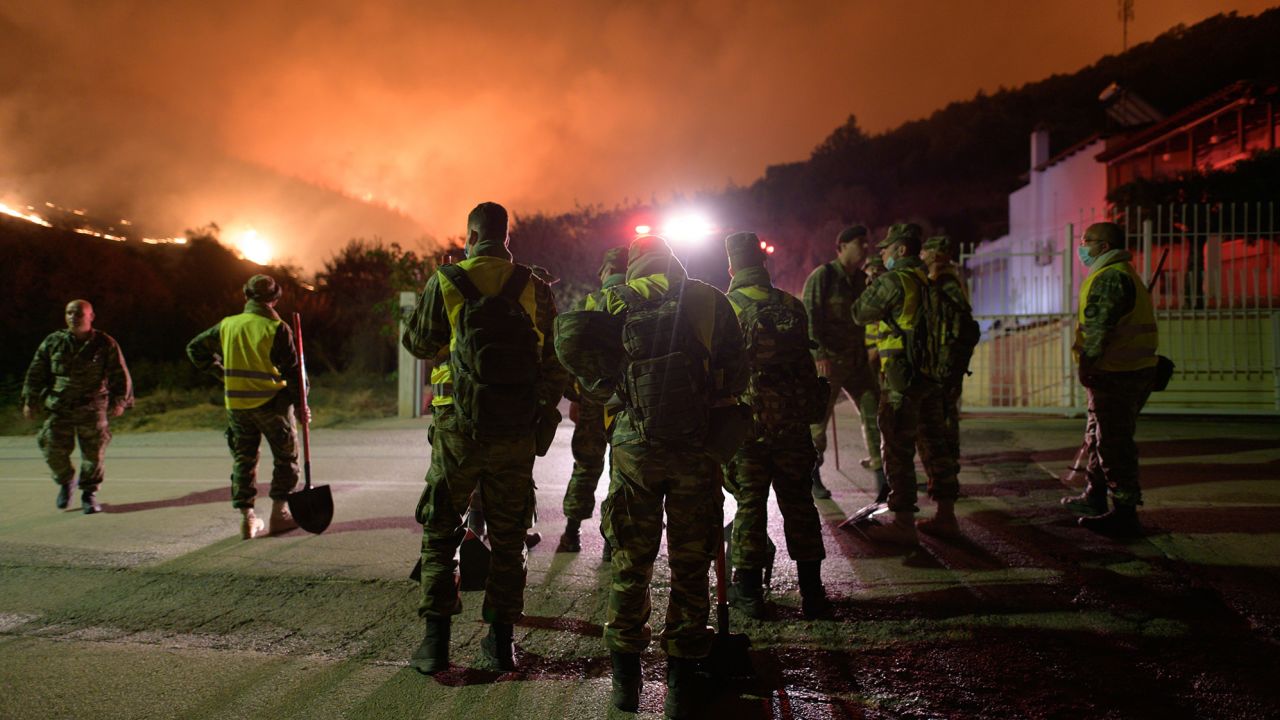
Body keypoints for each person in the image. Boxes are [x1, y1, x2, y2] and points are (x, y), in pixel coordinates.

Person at [564, 234, 746, 717]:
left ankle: (626, 684)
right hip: (695, 449)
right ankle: (681, 687)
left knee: (631, 560)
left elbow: (588, 379)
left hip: (633, 451)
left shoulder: (609, 301)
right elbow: (738, 375)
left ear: (634, 265)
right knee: (690, 566)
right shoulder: (710, 299)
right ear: (673, 259)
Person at [401, 201, 567, 675]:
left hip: (457, 430)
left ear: (469, 236)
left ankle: (435, 644)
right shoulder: (533, 286)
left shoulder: (448, 281)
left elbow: (418, 344)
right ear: (506, 237)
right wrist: (537, 411)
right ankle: (501, 644)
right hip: (514, 429)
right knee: (510, 539)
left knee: (441, 531)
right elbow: (554, 362)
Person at [720, 232, 830, 620]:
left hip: (749, 427)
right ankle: (813, 594)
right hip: (793, 426)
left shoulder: (727, 307)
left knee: (751, 504)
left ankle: (748, 592)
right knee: (800, 503)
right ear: (762, 264)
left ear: (732, 266)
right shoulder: (792, 306)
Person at [852, 223, 961, 544]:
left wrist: (871, 284)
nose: (882, 253)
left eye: (886, 249)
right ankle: (946, 516)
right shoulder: (929, 281)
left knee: (897, 447)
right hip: (931, 376)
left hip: (901, 379)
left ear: (901, 250)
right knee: (934, 446)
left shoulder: (895, 280)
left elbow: (860, 312)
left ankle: (903, 523)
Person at [187, 274, 304, 539]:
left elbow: (195, 349)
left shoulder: (228, 325)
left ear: (245, 295)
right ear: (275, 299)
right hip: (271, 404)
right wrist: (300, 404)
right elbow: (293, 371)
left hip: (237, 406)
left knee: (244, 460)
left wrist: (222, 373)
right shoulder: (276, 328)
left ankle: (247, 520)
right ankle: (279, 514)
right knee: (286, 458)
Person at [1061, 221, 1158, 536]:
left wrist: (1087, 364)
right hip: (1126, 369)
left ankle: (1125, 513)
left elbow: (1098, 330)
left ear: (1104, 247)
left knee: (1113, 443)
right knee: (1097, 435)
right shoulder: (1120, 274)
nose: (1082, 246)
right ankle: (1095, 496)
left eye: (1087, 241)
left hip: (1116, 372)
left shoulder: (1110, 277)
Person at [22, 299, 133, 514]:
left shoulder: (104, 343)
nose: (73, 317)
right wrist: (30, 400)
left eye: (79, 313)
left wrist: (120, 401)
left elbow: (120, 373)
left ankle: (88, 494)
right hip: (59, 406)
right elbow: (36, 371)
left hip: (91, 406)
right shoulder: (53, 341)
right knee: (51, 446)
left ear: (91, 316)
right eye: (69, 313)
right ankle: (65, 482)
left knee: (94, 454)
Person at [557, 247, 629, 560]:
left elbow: (572, 351)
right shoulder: (636, 300)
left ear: (604, 271)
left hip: (591, 398)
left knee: (586, 465)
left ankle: (571, 533)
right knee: (621, 470)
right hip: (624, 398)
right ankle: (612, 542)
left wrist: (574, 396)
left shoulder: (591, 302)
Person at [803, 224, 883, 499]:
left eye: (865, 242)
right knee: (817, 424)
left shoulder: (862, 280)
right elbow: (810, 318)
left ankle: (881, 475)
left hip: (857, 361)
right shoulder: (823, 277)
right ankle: (813, 476)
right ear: (841, 248)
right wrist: (819, 354)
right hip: (829, 362)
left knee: (875, 413)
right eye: (859, 242)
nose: (865, 247)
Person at [919, 235, 971, 492]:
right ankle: (943, 477)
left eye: (925, 252)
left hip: (944, 366)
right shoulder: (943, 280)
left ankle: (946, 478)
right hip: (942, 364)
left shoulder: (946, 282)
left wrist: (948, 361)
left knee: (941, 423)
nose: (922, 256)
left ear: (934, 254)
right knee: (941, 420)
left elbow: (957, 325)